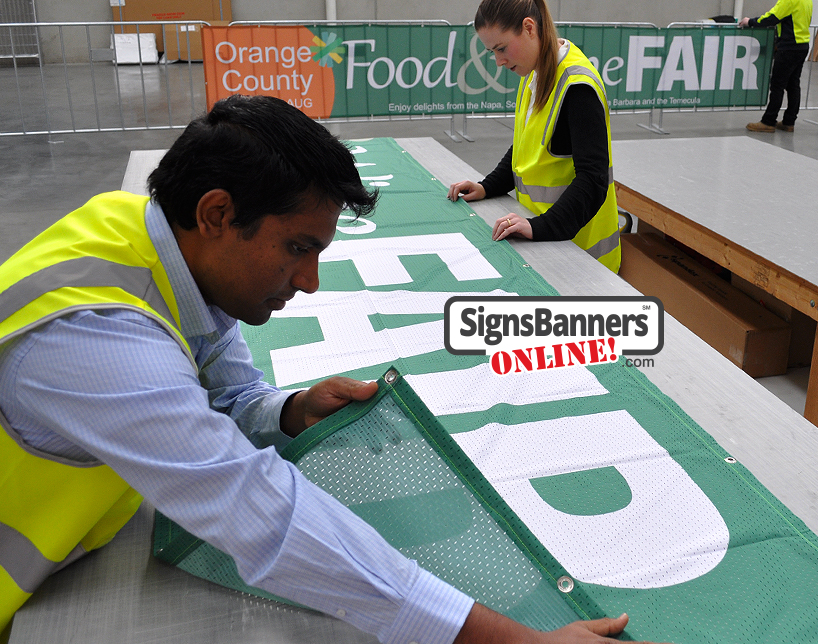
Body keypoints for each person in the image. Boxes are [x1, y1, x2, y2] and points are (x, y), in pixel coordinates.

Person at [0, 95, 664, 644]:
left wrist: (291, 411)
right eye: (297, 248)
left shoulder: (157, 241)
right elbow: (260, 515)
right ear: (216, 214)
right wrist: (517, 640)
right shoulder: (95, 338)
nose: (311, 282)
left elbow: (228, 394)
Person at [446, 0, 621, 274]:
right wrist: (488, 186)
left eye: (501, 49)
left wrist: (538, 226)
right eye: (492, 52)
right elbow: (527, 145)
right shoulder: (534, 74)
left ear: (529, 28)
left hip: (582, 259)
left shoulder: (577, 88)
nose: (499, 62)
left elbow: (593, 180)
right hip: (546, 244)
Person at [740, 0, 813, 133]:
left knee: (777, 86)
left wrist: (750, 21)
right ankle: (789, 122)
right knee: (793, 85)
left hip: (788, 47)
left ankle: (768, 121)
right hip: (802, 45)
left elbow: (772, 17)